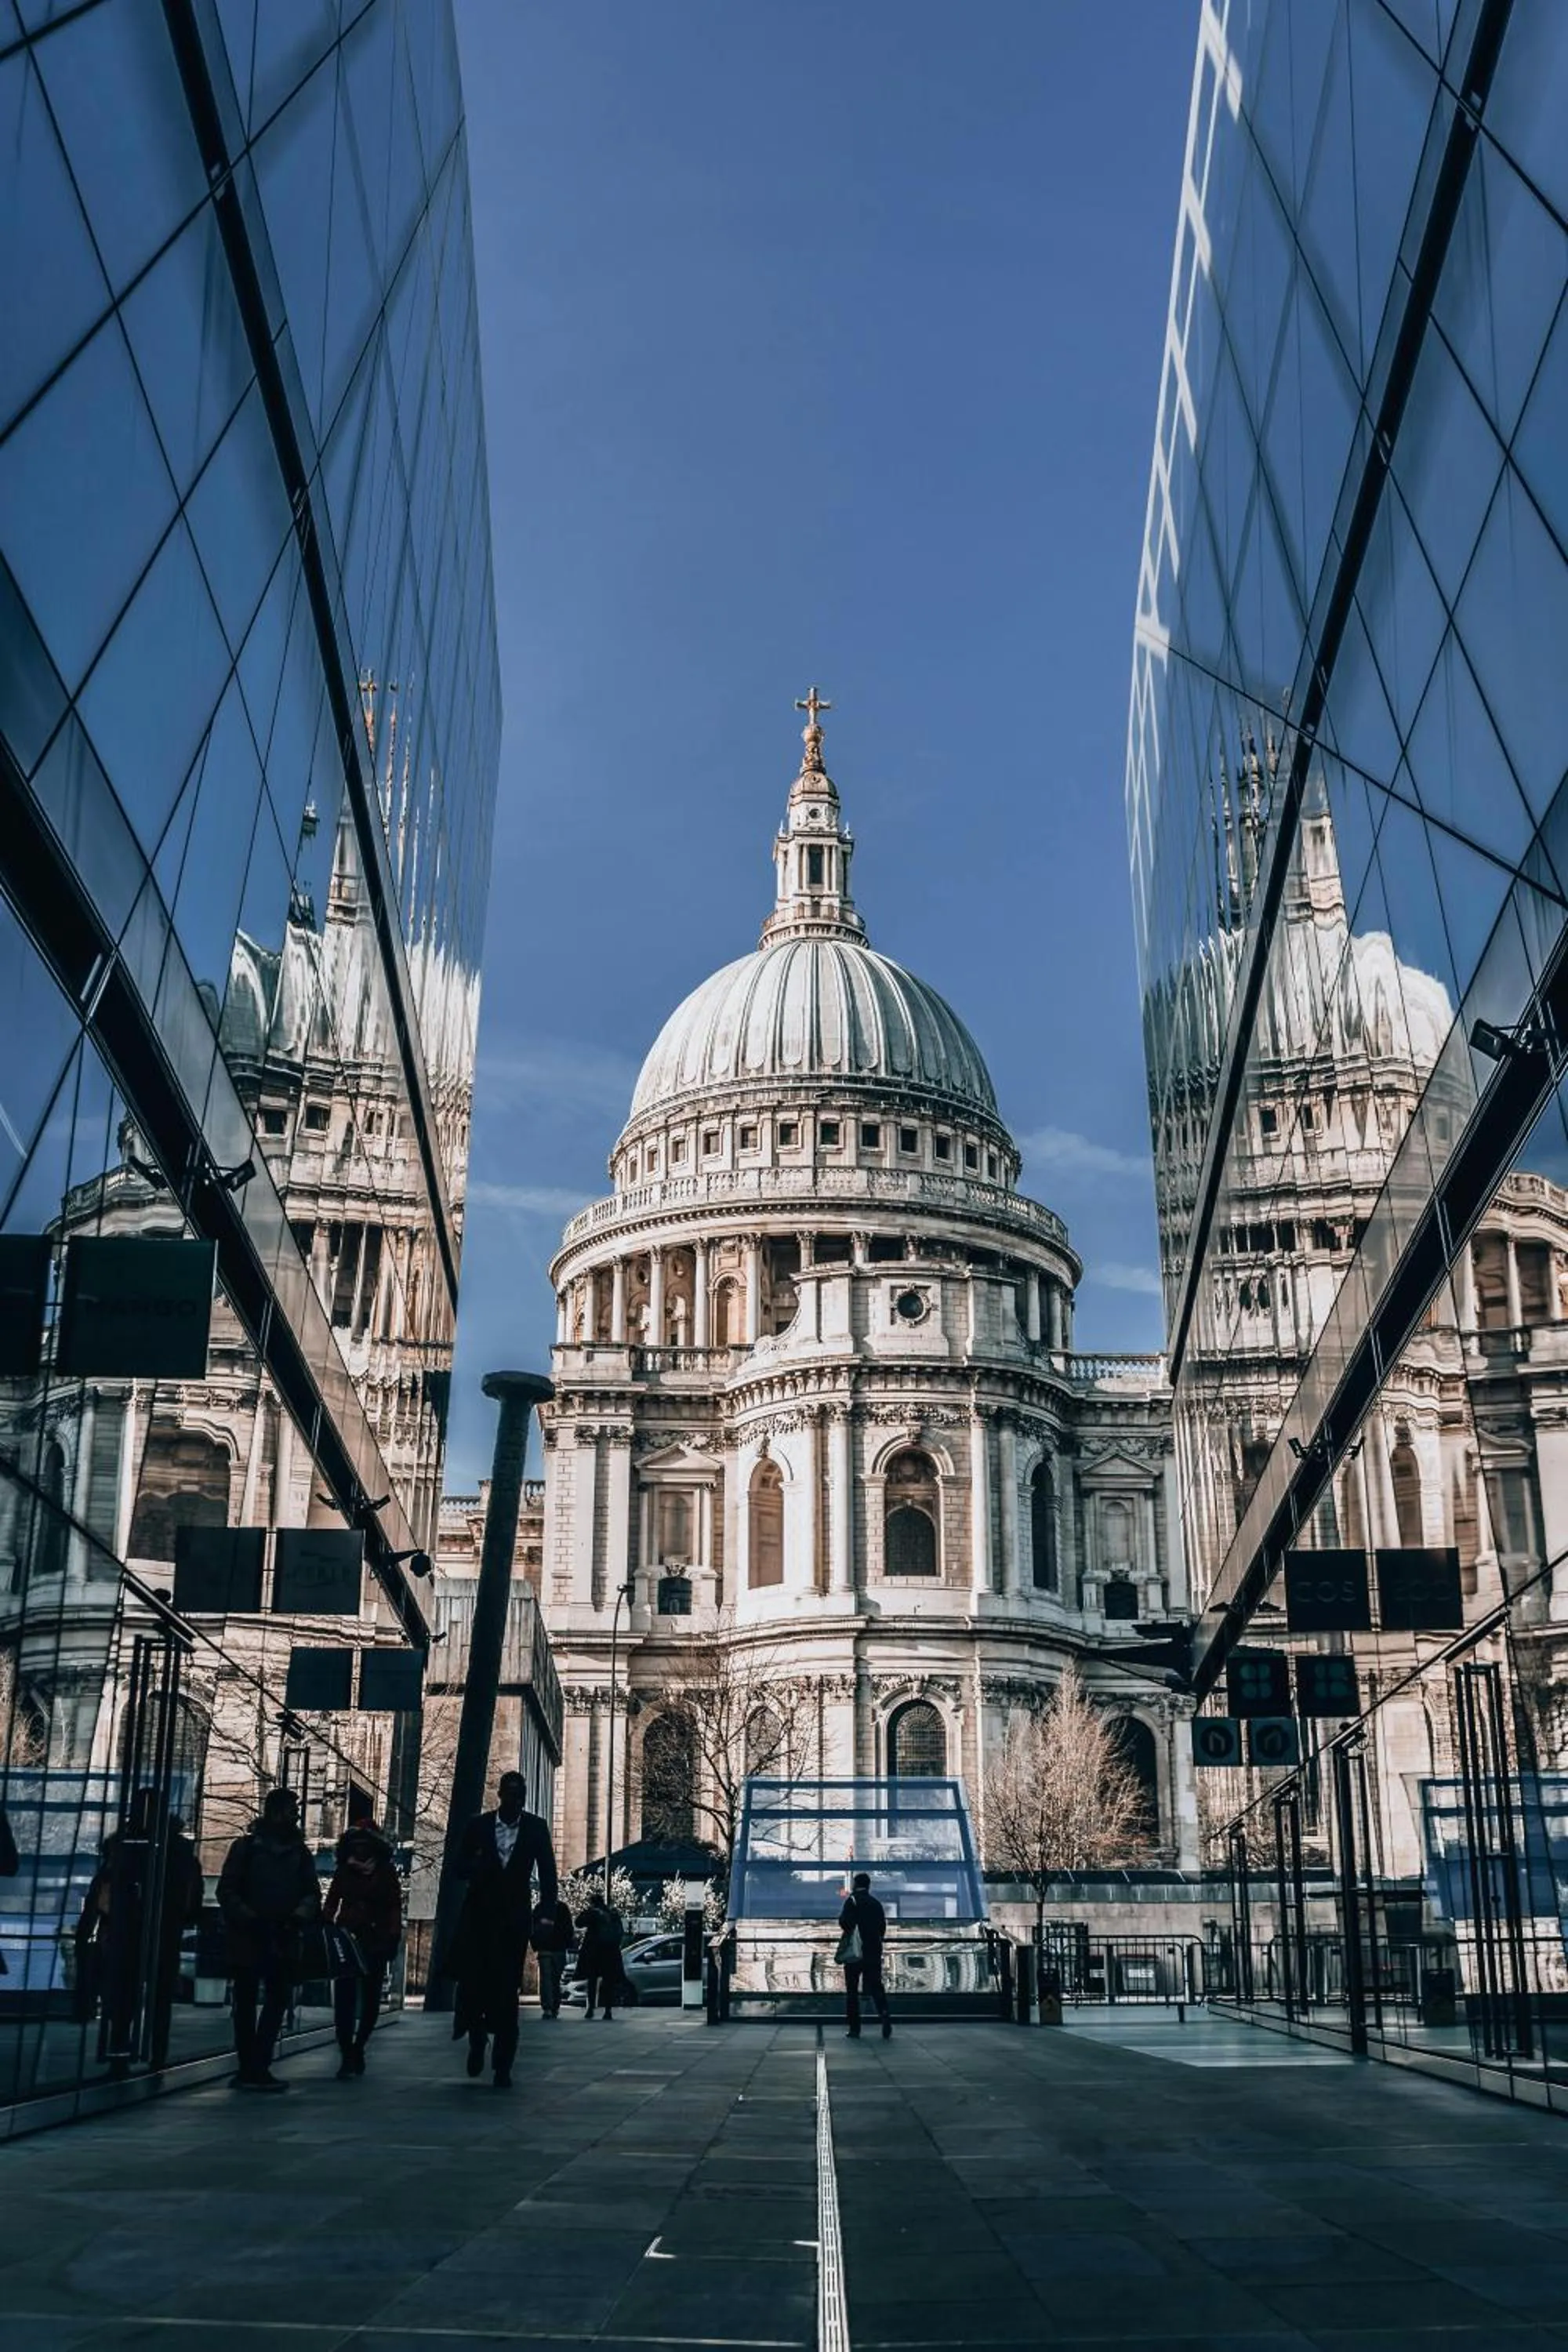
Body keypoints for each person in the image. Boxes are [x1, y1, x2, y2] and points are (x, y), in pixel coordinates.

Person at [448, 1770, 557, 2088]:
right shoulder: (478, 1826)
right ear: (500, 1796)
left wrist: (546, 1915)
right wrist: (480, 1863)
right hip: (479, 1919)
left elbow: (548, 1874)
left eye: (520, 1795)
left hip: (513, 1922)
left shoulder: (536, 1828)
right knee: (474, 1986)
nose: (515, 1801)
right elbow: (458, 1868)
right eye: (510, 1794)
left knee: (508, 1992)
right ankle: (477, 2037)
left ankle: (503, 2065)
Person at [217, 1787, 321, 2091]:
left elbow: (311, 1893)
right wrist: (250, 1917)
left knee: (273, 2000)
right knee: (250, 2002)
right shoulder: (248, 1848)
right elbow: (227, 1890)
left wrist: (296, 1918)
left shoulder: (297, 1853)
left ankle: (257, 2063)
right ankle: (251, 2064)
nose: (296, 1815)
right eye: (292, 1809)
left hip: (279, 1935)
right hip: (252, 1935)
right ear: (276, 1811)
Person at [323, 1817, 403, 2079]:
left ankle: (358, 2047)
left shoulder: (386, 1872)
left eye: (365, 1844)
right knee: (345, 2001)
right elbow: (332, 1900)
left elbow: (394, 1905)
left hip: (375, 1940)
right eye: (356, 1844)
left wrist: (392, 1937)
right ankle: (348, 2051)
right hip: (348, 1938)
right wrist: (326, 1926)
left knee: (369, 2001)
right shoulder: (344, 1871)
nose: (360, 1849)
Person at [837, 1871, 891, 2041]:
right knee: (876, 1986)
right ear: (868, 1886)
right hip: (873, 1952)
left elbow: (844, 1923)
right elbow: (882, 1928)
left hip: (855, 1953)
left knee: (852, 1991)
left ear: (855, 1885)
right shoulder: (876, 1903)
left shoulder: (851, 1901)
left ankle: (855, 2029)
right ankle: (884, 2014)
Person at [575, 1889, 625, 2021]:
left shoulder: (593, 1913)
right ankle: (608, 2010)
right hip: (610, 1952)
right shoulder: (612, 1913)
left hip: (594, 1952)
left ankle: (591, 2008)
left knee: (592, 1981)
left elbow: (578, 1922)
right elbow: (620, 1932)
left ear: (592, 1903)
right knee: (608, 1982)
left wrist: (588, 1911)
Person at [532, 1896, 575, 2020]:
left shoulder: (540, 1908)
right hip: (559, 1949)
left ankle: (548, 2007)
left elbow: (533, 1927)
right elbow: (569, 1928)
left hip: (544, 1948)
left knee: (546, 1979)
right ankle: (555, 2006)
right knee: (556, 1980)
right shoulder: (562, 1908)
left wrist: (536, 1945)